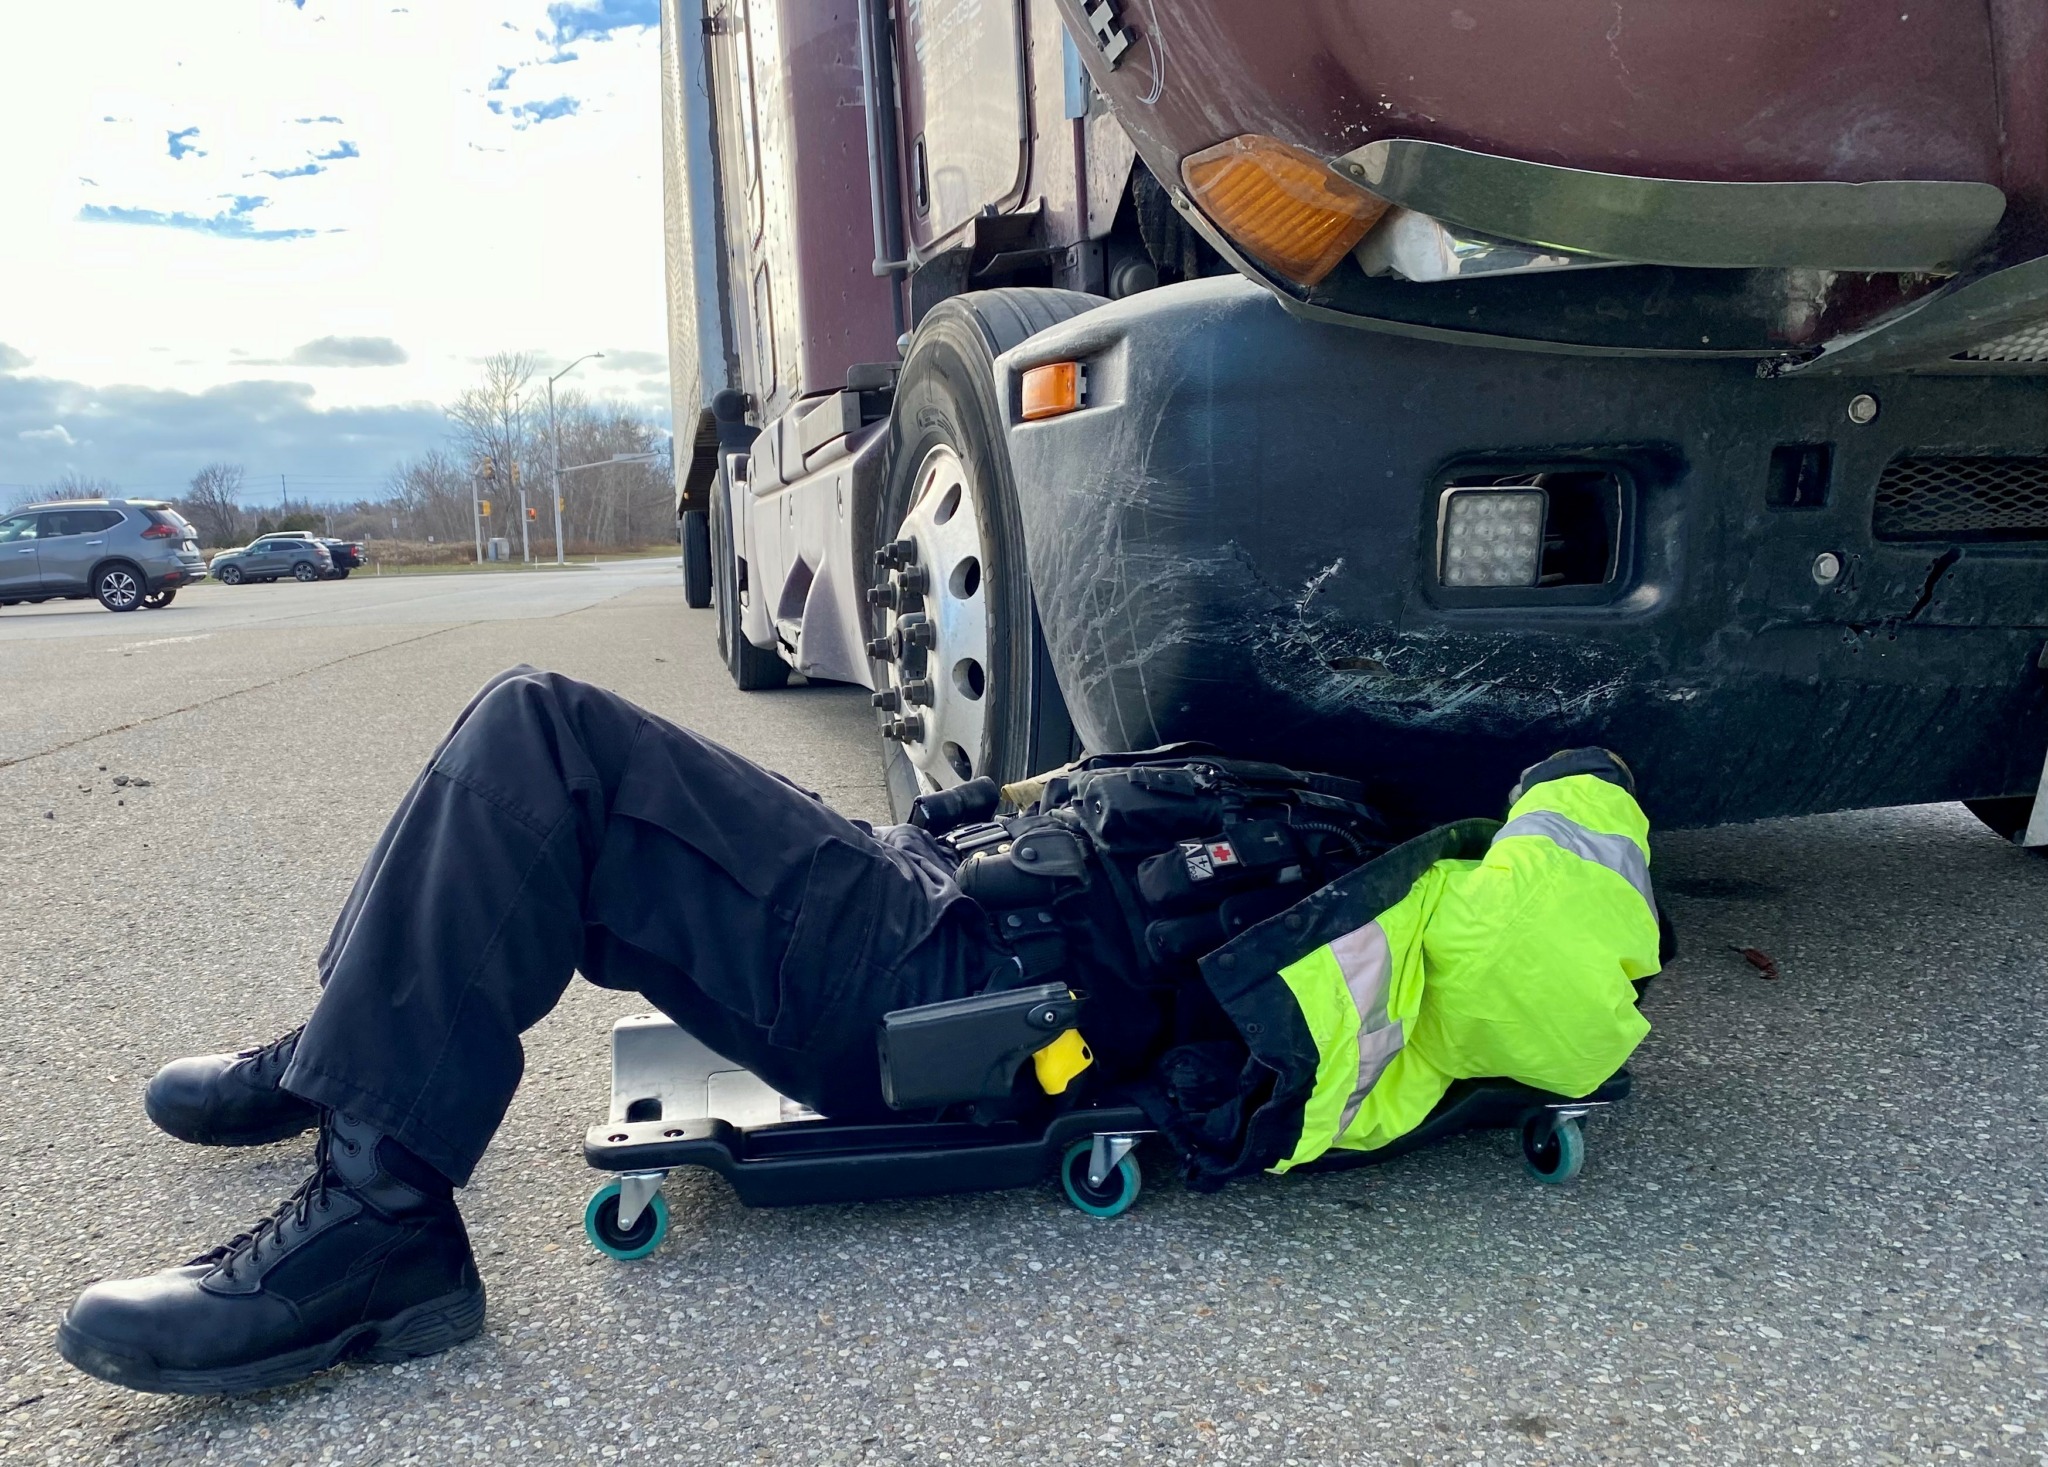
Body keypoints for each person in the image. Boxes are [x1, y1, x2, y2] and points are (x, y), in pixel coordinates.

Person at [57, 667, 1660, 1397]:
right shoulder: (1346, 803)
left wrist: (1574, 776)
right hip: (941, 892)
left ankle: (380, 1225)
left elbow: (1563, 977)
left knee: (546, 741)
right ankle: (355, 1050)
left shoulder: (1492, 903)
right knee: (541, 760)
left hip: (954, 987)